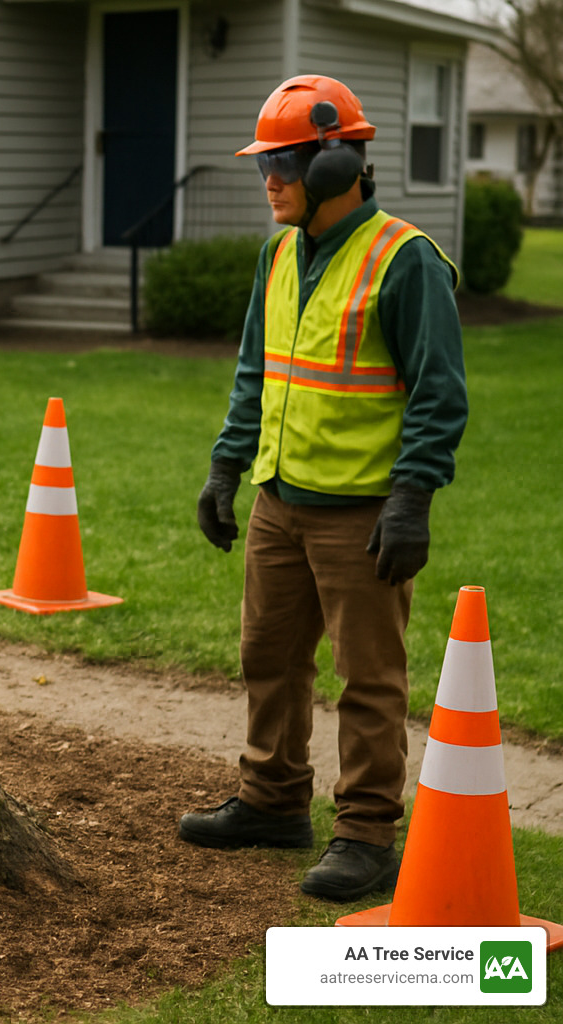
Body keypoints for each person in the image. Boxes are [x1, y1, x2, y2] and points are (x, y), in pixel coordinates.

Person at [177, 75, 468, 902]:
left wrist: (412, 498)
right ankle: (272, 802)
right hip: (279, 502)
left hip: (363, 515)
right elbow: (255, 373)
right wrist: (226, 467)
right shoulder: (277, 253)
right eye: (263, 164)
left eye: (283, 164)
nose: (267, 180)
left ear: (338, 166)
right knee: (267, 658)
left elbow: (439, 394)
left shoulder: (406, 262)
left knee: (368, 678)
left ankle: (368, 834)